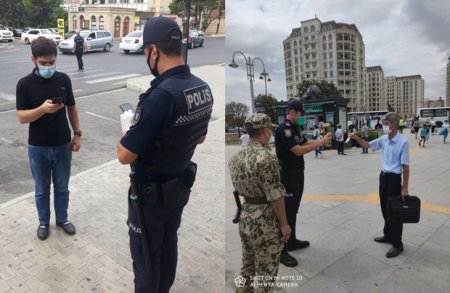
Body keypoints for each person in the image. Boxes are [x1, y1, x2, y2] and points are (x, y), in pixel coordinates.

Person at [116, 16, 213, 292]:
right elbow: (201, 136)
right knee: (169, 245)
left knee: (146, 257)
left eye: (146, 52)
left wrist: (128, 132)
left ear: (153, 51)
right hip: (179, 187)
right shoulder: (202, 88)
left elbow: (125, 155)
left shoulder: (159, 97)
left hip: (150, 197)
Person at [16, 37, 81, 240]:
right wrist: (42, 109)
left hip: (62, 144)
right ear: (33, 60)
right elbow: (21, 117)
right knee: (42, 190)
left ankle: (62, 219)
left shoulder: (63, 80)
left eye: (52, 62)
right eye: (43, 63)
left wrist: (77, 134)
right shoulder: (24, 84)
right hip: (38, 147)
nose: (48, 67)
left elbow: (72, 107)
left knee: (62, 187)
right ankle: (43, 222)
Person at [229, 113, 291, 292]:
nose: (271, 131)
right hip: (265, 222)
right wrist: (285, 224)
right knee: (266, 275)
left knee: (247, 267)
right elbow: (275, 195)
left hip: (246, 215)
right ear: (264, 130)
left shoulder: (236, 158)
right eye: (270, 128)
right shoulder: (267, 158)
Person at [274, 99, 332, 267]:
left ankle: (291, 241)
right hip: (288, 176)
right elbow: (297, 150)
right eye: (301, 114)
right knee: (286, 212)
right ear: (293, 112)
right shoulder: (283, 129)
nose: (302, 118)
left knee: (293, 210)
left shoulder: (294, 128)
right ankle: (282, 251)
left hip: (298, 174)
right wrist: (319, 143)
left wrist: (322, 140)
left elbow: (304, 143)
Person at [349, 112, 410, 258]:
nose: (383, 126)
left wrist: (404, 187)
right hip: (383, 178)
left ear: (394, 125)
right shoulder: (384, 139)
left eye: (386, 123)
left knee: (394, 212)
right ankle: (387, 235)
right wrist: (356, 137)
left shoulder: (403, 142)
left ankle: (397, 244)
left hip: (394, 180)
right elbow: (367, 145)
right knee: (385, 209)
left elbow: (405, 166)